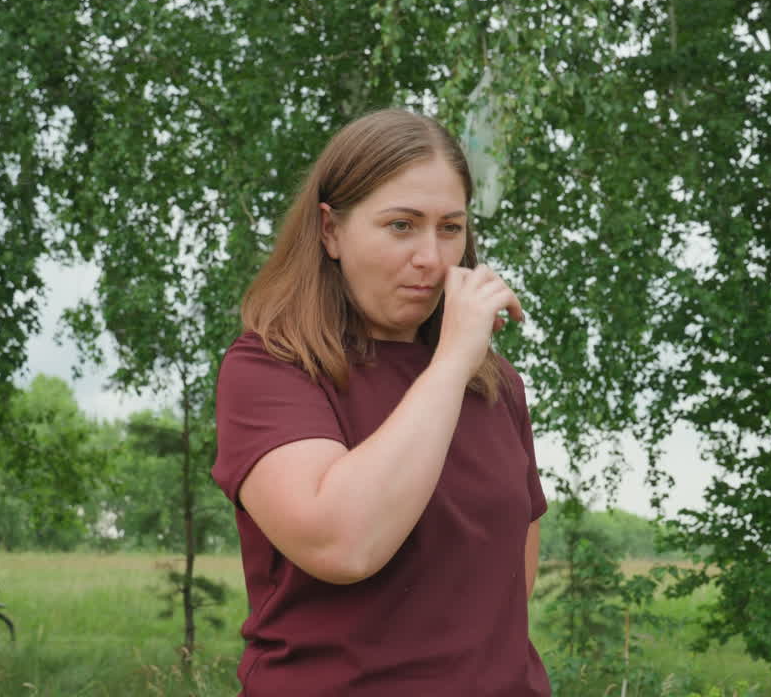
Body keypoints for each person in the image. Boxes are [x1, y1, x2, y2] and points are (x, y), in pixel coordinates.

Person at [212, 108, 550, 696]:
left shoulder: (496, 384)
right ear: (330, 231)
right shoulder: (271, 368)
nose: (432, 257)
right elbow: (343, 543)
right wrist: (450, 362)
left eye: (450, 227)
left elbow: (508, 584)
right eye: (401, 225)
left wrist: (462, 364)